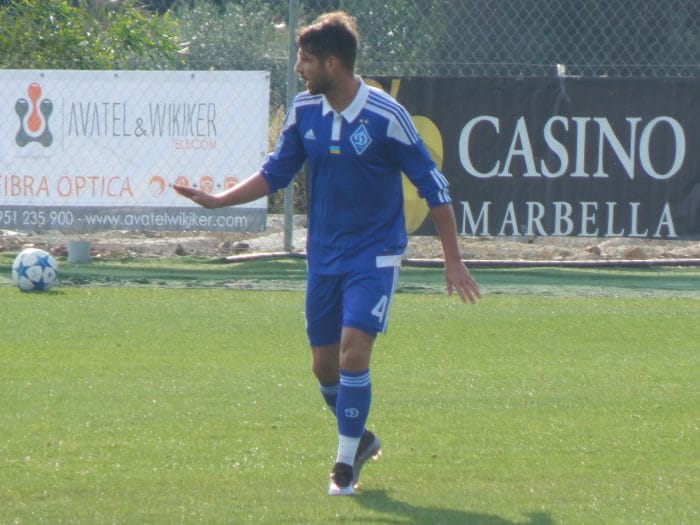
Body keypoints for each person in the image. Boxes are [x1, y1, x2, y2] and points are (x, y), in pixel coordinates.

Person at [174, 10, 481, 496]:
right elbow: (276, 173)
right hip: (325, 257)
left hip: (374, 255)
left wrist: (453, 258)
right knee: (324, 367)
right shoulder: (304, 111)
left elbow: (434, 187)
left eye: (306, 59)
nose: (299, 67)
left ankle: (343, 467)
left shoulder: (386, 116)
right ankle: (359, 440)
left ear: (333, 64)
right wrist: (219, 200)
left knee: (354, 352)